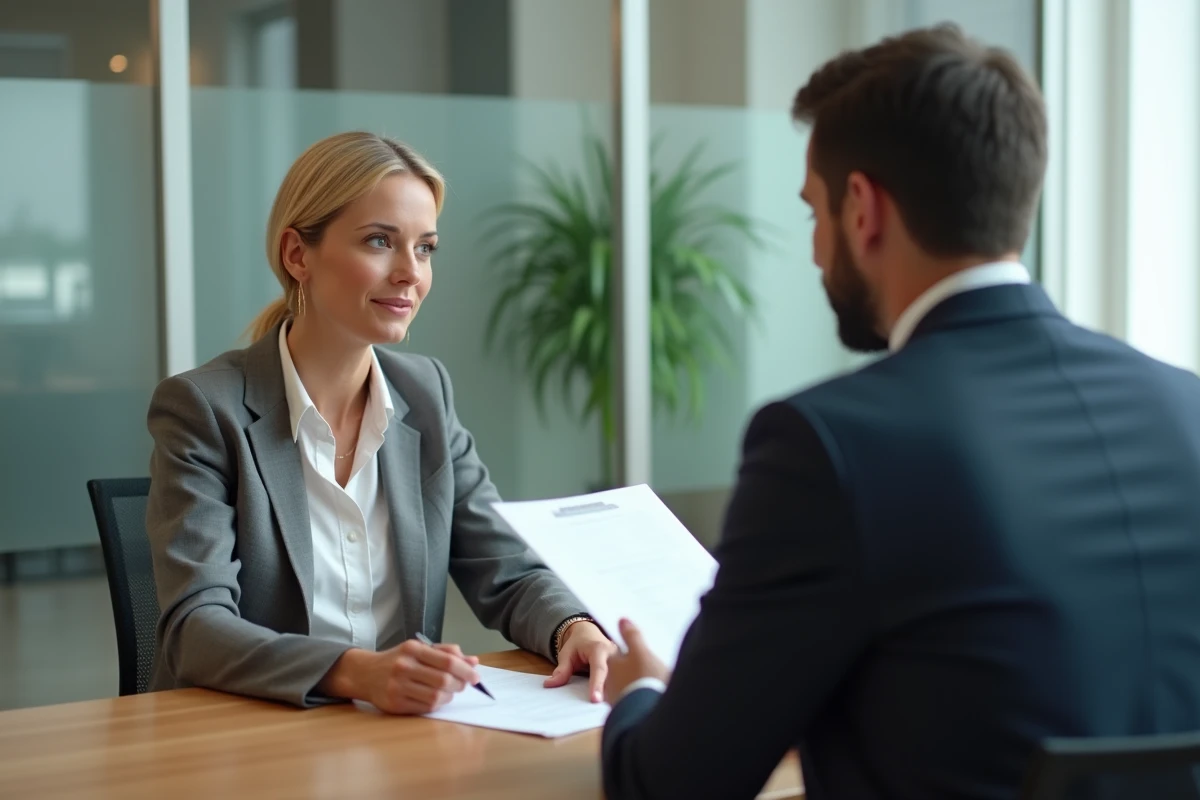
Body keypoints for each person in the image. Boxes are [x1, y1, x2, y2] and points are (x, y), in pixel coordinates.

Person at [600, 24, 1200, 800]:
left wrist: (643, 695)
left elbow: (672, 784)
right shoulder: (1185, 407)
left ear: (863, 208)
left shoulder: (830, 445)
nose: (816, 251)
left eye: (813, 211)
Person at [146, 131, 613, 712]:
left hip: (396, 736)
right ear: (298, 255)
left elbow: (507, 570)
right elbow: (196, 629)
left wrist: (575, 628)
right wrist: (354, 674)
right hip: (251, 736)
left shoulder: (426, 393)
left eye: (425, 248)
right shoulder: (204, 408)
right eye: (378, 242)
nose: (410, 273)